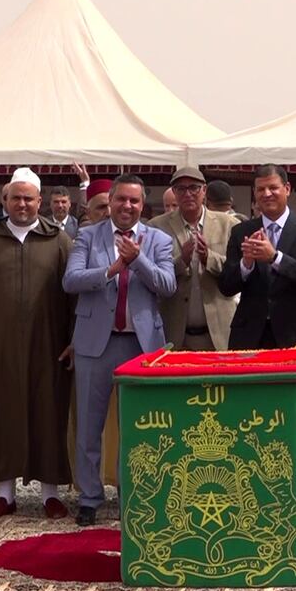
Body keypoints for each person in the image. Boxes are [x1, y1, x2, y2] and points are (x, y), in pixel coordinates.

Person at [0, 168, 73, 519]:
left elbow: (75, 296)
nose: (22, 204)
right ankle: (4, 494)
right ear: (5, 200)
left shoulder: (59, 241)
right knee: (0, 414)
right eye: (16, 198)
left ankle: (50, 494)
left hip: (49, 344)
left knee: (49, 413)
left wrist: (74, 341)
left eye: (28, 198)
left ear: (40, 201)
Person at [65, 174, 175, 526]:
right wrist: (110, 270)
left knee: (137, 427)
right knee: (89, 425)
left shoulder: (158, 239)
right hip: (95, 343)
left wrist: (138, 260)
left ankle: (133, 494)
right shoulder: (87, 236)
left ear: (143, 205)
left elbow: (168, 285)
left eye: (134, 201)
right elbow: (71, 280)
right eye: (121, 199)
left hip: (140, 344)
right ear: (109, 202)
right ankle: (89, 497)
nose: (127, 206)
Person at [219, 164, 296, 467]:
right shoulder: (241, 230)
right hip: (252, 337)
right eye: (260, 189)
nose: (267, 194)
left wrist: (275, 257)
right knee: (249, 412)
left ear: (287, 189)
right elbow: (226, 285)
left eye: (273, 188)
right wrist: (246, 265)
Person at [148, 166, 237, 351]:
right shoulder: (156, 227)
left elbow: (237, 271)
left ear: (204, 190)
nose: (187, 194)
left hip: (219, 334)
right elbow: (151, 276)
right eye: (181, 189)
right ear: (174, 192)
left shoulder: (229, 224)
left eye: (194, 188)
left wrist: (208, 258)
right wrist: (181, 261)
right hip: (175, 334)